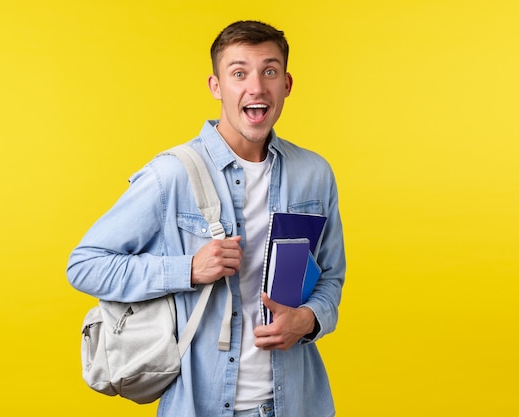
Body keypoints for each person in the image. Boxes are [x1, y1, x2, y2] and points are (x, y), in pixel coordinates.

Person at [67, 20, 346, 417]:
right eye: (239, 73)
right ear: (216, 87)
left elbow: (332, 276)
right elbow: (85, 265)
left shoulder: (314, 174)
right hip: (203, 406)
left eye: (269, 71)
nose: (256, 87)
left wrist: (308, 319)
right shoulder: (172, 174)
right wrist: (187, 270)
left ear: (286, 84)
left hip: (298, 403)